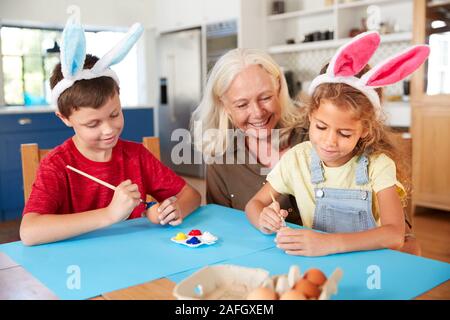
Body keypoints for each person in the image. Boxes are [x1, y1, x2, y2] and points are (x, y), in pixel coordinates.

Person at [19, 13, 201, 246]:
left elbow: (192, 196)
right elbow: (30, 232)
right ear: (64, 118)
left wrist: (172, 210)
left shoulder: (136, 156)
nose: (109, 130)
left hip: (136, 258)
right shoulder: (57, 165)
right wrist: (109, 214)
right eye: (93, 124)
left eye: (114, 114)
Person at [245, 31, 429, 256]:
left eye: (344, 133)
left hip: (370, 261)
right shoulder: (297, 158)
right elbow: (253, 205)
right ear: (310, 116)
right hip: (319, 262)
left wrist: (327, 243)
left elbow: (394, 235)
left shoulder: (378, 165)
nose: (329, 141)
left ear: (365, 130)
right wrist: (263, 219)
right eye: (321, 127)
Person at [191, 48, 308, 225]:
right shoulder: (221, 160)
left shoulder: (314, 135)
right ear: (225, 106)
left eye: (265, 97)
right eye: (242, 104)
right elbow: (223, 227)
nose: (257, 113)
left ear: (278, 87)